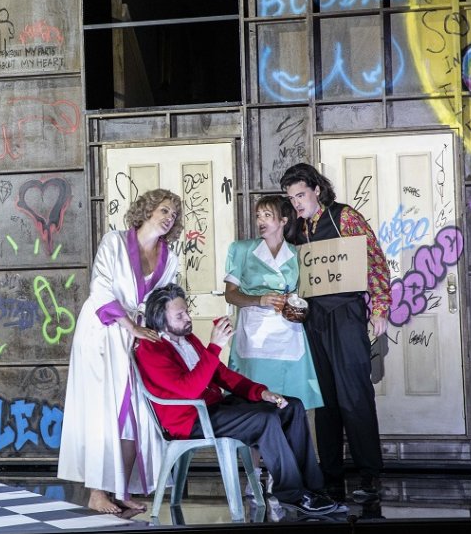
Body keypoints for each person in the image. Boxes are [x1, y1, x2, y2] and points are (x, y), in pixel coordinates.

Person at [136, 284, 338, 516]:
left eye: (187, 312)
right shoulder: (151, 349)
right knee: (264, 419)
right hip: (189, 419)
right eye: (179, 315)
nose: (188, 318)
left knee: (291, 406)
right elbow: (188, 390)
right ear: (161, 319)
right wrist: (214, 347)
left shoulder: (187, 338)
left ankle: (313, 488)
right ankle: (292, 494)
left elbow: (222, 375)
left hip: (214, 406)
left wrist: (261, 392)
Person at [58, 188, 183, 514]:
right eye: (164, 210)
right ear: (148, 209)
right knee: (104, 412)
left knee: (136, 415)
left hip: (137, 339)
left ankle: (122, 488)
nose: (169, 218)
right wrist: (131, 326)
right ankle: (97, 493)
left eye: (173, 214)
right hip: (103, 333)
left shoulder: (169, 257)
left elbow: (164, 300)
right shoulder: (114, 242)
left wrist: (171, 327)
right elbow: (100, 288)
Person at [280, 163, 390, 504]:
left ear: (316, 189)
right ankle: (330, 476)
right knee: (323, 400)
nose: (297, 203)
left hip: (345, 314)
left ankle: (370, 474)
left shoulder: (345, 217)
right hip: (312, 321)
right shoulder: (295, 229)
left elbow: (375, 261)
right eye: (291, 198)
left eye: (301, 194)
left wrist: (380, 308)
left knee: (354, 395)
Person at [224, 195, 322, 410]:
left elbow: (307, 294)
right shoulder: (241, 250)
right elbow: (230, 294)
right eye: (258, 216)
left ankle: (290, 443)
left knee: (291, 401)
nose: (261, 221)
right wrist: (260, 299)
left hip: (288, 333)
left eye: (268, 215)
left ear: (284, 220)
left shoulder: (299, 254)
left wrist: (294, 302)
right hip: (254, 334)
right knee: (252, 401)